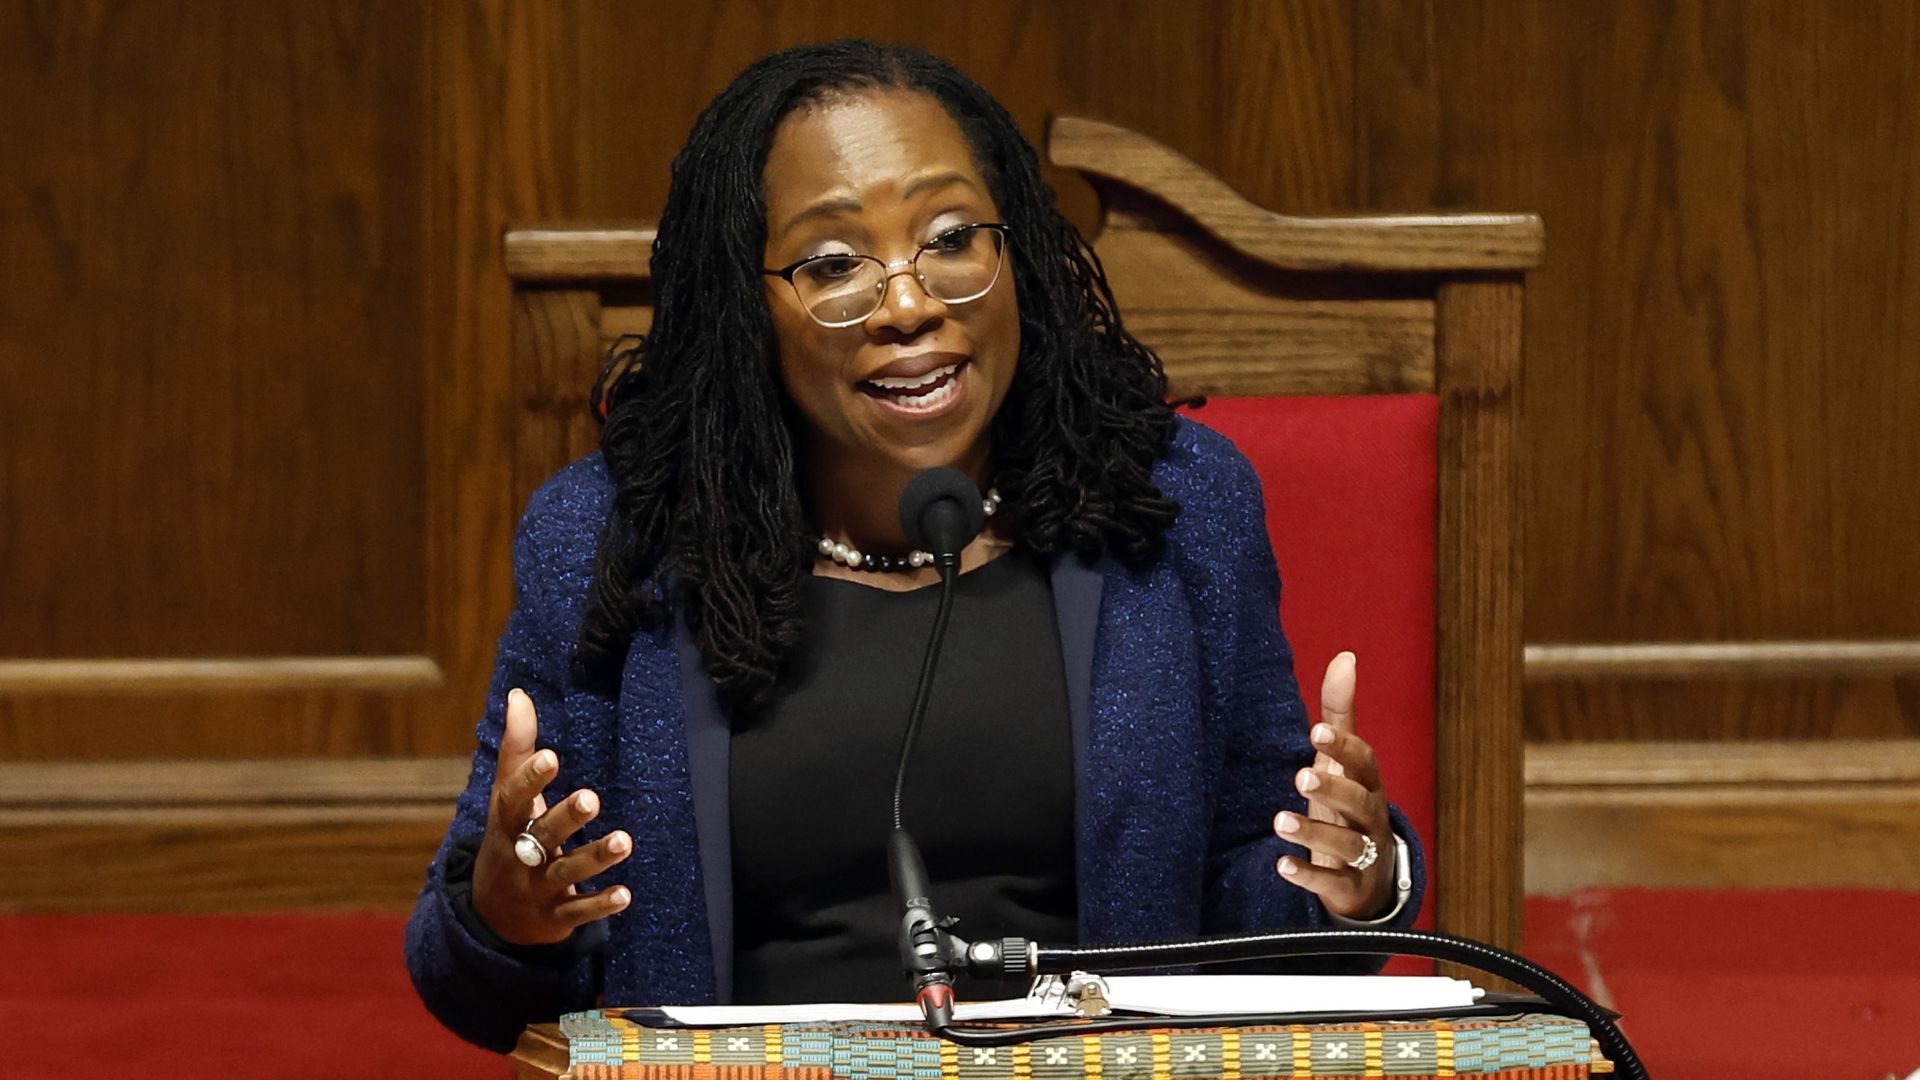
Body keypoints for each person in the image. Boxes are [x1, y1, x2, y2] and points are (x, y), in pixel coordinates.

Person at [405, 39, 1426, 1052]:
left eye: (950, 236)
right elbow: (474, 979)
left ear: (1015, 246)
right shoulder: (614, 537)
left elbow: (1252, 914)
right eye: (834, 263)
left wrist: (1355, 877)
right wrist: (510, 917)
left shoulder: (1172, 509)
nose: (909, 303)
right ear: (742, 306)